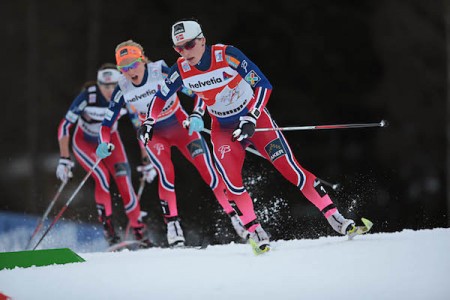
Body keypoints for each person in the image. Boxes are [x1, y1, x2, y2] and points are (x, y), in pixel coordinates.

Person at [139, 19, 361, 254]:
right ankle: (255, 230)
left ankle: (335, 217)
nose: (185, 52)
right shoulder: (181, 69)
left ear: (202, 40)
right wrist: (149, 121)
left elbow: (263, 85)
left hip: (255, 120)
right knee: (233, 185)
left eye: (189, 44)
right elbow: (161, 97)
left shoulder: (227, 56)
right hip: (223, 129)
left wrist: (252, 117)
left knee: (289, 168)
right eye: (179, 48)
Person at [97, 40, 249, 247]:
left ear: (142, 60)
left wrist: (197, 114)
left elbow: (196, 91)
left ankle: (236, 216)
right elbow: (107, 124)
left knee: (208, 171)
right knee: (166, 173)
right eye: (124, 68)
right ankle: (173, 227)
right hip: (156, 135)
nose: (130, 71)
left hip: (181, 128)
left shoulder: (160, 71)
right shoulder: (122, 88)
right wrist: (104, 142)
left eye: (133, 64)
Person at [56, 63, 154, 248]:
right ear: (98, 84)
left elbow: (140, 127)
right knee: (102, 177)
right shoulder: (88, 96)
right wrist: (64, 158)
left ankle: (140, 230)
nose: (109, 91)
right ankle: (109, 230)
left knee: (124, 180)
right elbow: (65, 126)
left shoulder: (125, 95)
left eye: (113, 86)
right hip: (85, 142)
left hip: (110, 143)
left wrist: (146, 160)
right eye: (105, 86)